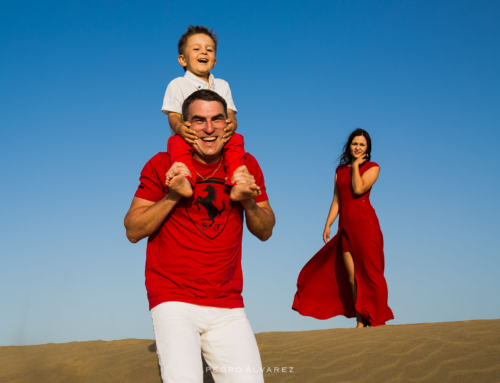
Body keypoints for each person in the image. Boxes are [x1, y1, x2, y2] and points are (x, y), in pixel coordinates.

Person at [124, 90, 275, 382]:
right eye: (199, 120)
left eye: (217, 119)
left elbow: (266, 230)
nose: (209, 128)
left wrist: (246, 201)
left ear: (227, 123)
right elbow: (132, 229)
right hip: (174, 299)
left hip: (228, 303)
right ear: (186, 126)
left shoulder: (246, 166)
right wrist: (171, 196)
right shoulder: (162, 164)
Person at [292, 129, 393, 327]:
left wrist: (356, 166)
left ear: (367, 148)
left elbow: (358, 188)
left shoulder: (373, 167)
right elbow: (337, 199)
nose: (358, 147)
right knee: (351, 277)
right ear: (349, 146)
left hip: (366, 225)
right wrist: (328, 223)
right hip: (346, 227)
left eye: (362, 145)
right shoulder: (340, 171)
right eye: (355, 144)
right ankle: (361, 321)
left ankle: (378, 321)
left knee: (372, 274)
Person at [162, 25, 245, 193]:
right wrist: (180, 129)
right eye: (196, 49)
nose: (204, 52)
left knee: (236, 140)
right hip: (189, 137)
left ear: (214, 61)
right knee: (177, 142)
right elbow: (173, 115)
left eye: (209, 50)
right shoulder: (178, 84)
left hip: (216, 139)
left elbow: (229, 112)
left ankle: (238, 179)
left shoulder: (222, 85)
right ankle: (184, 178)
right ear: (183, 60)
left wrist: (232, 125)